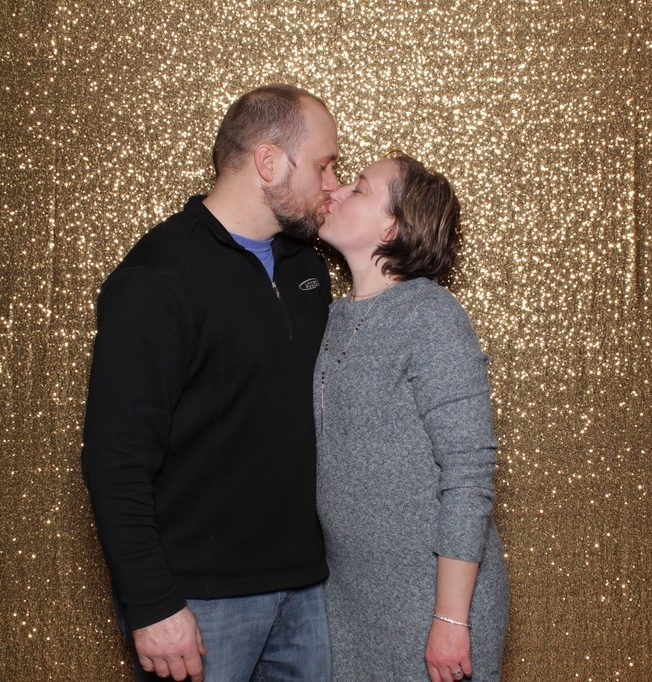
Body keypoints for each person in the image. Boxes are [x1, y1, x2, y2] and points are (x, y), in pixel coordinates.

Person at [81, 84, 339, 681]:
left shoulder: (307, 267)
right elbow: (115, 458)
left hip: (306, 589)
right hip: (200, 602)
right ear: (268, 161)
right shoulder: (158, 278)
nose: (332, 183)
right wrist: (152, 604)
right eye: (323, 165)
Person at [314, 153, 510, 681]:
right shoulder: (330, 318)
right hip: (349, 601)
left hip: (432, 603)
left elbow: (468, 474)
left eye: (358, 188)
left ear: (392, 227)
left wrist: (451, 618)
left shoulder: (431, 315)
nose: (335, 192)